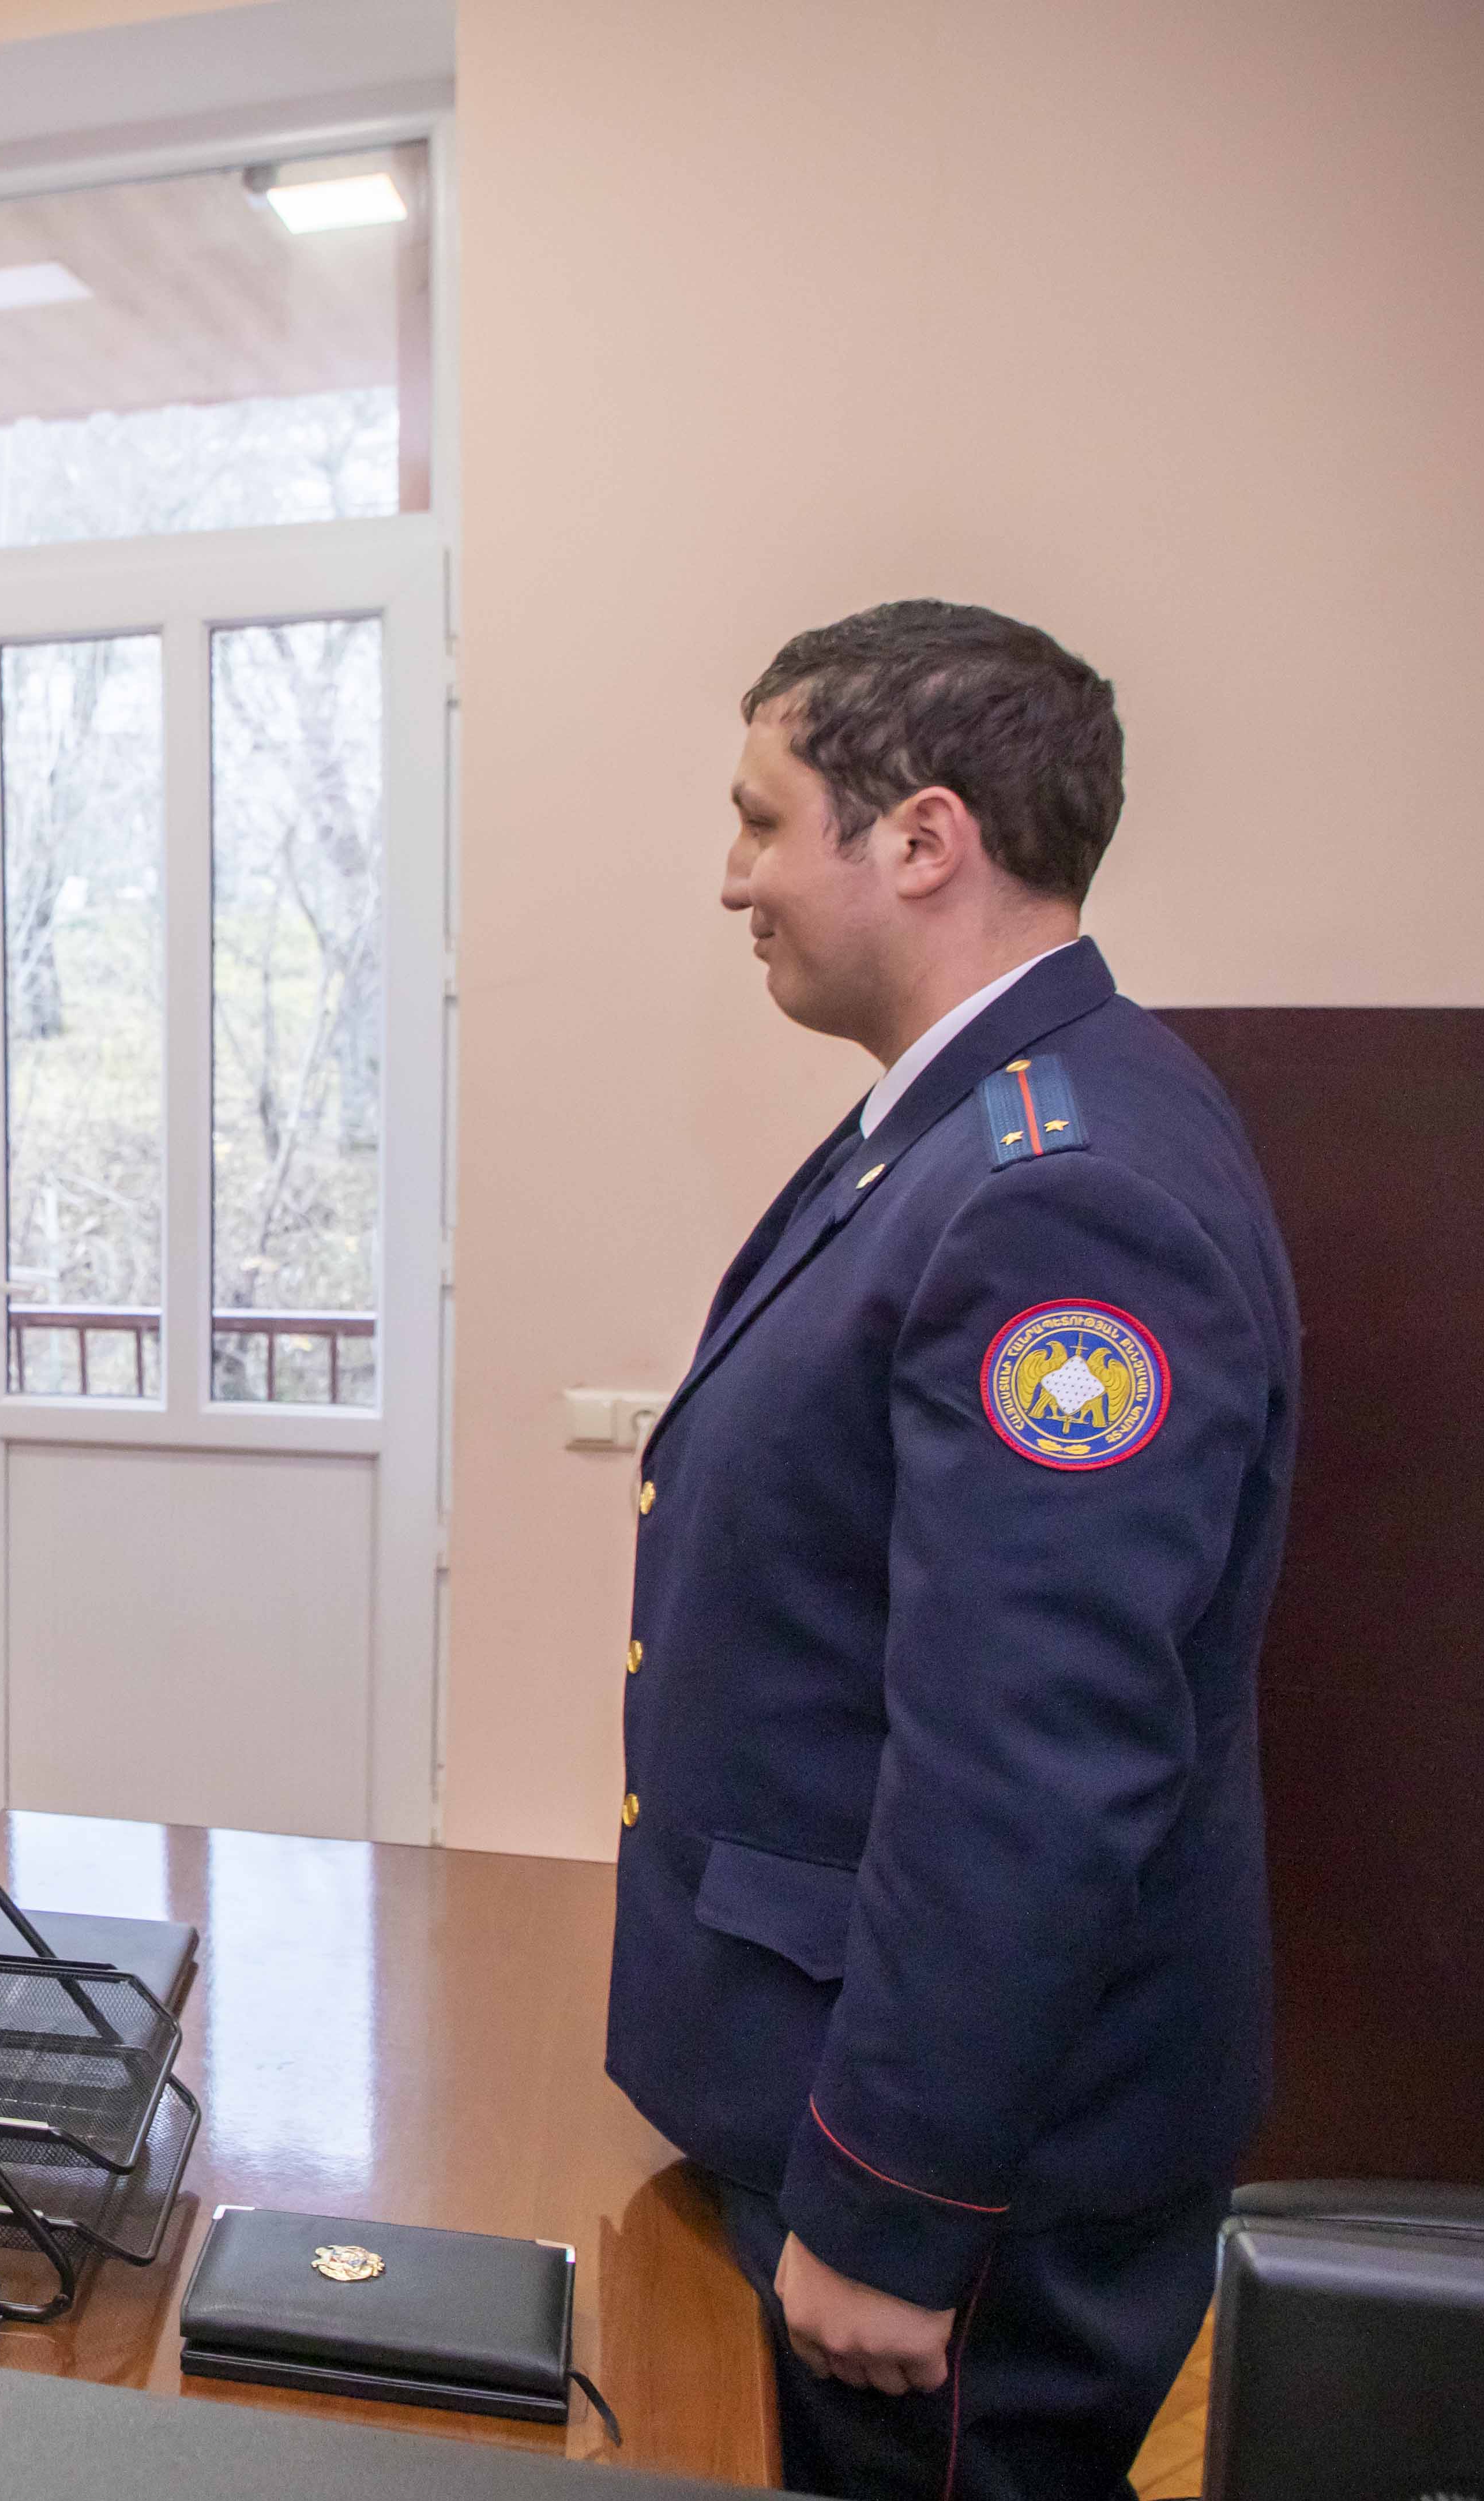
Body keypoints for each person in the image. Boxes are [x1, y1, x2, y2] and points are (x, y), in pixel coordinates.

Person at [610, 601, 1296, 2498]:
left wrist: (894, 2204)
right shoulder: (965, 1130)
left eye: (762, 820)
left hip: (965, 2180)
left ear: (921, 838)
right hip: (859, 2088)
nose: (732, 877)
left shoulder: (1056, 1193)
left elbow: (1032, 1763)